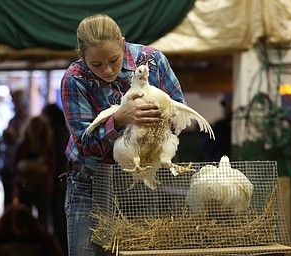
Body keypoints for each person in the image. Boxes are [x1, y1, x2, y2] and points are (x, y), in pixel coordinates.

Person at [61, 13, 185, 256]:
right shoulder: (74, 79)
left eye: (114, 60)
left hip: (139, 178)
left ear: (123, 42)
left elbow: (179, 113)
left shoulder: (153, 61)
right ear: (81, 55)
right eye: (96, 64)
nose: (107, 70)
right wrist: (118, 120)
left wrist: (156, 120)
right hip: (90, 181)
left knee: (141, 249)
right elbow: (86, 147)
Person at [12, 115, 55, 229]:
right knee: (24, 219)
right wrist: (36, 166)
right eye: (33, 126)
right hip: (24, 187)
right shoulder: (22, 146)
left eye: (37, 127)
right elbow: (16, 167)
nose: (35, 129)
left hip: (41, 188)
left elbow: (48, 168)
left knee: (43, 221)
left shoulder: (47, 146)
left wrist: (27, 166)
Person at [42, 103, 70, 255]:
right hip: (61, 181)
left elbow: (58, 158)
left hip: (59, 182)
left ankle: (60, 250)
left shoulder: (54, 132)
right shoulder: (62, 130)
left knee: (59, 220)